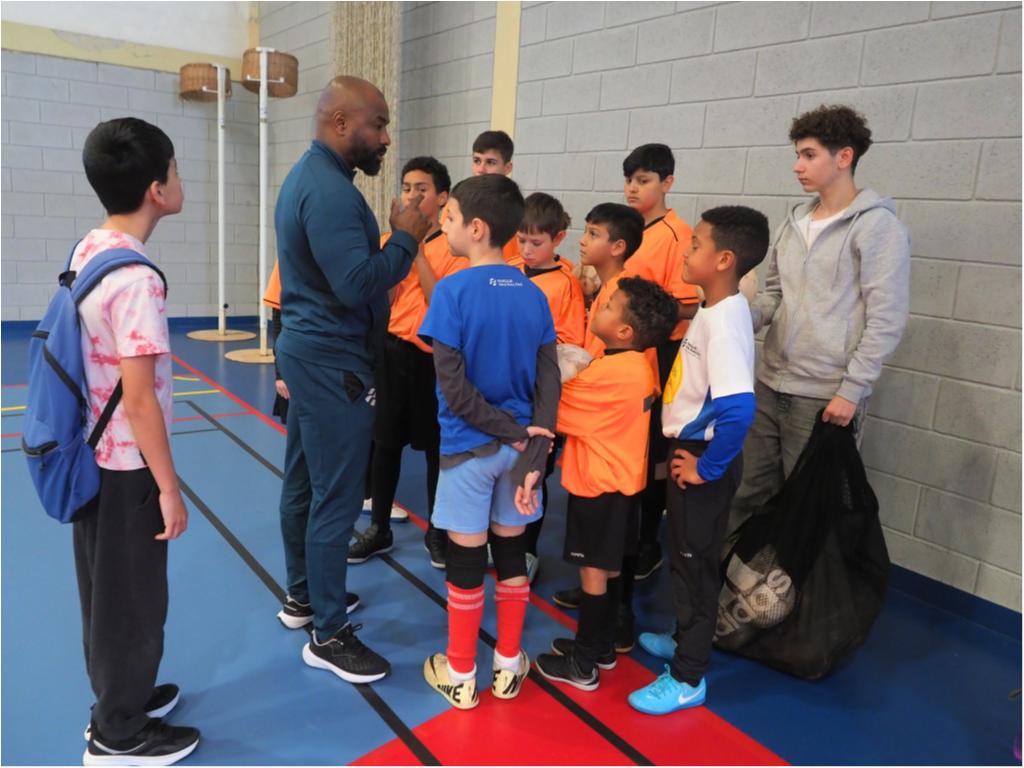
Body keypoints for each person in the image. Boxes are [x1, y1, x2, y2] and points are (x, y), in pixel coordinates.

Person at [274, 76, 433, 684]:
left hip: (314, 354)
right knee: (337, 496)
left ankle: (305, 597)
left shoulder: (316, 179)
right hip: (332, 362)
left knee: (304, 481)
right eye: (379, 124)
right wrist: (406, 236)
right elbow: (359, 283)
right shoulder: (330, 193)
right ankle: (329, 634)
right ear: (341, 123)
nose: (386, 138)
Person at [73, 117, 200, 764]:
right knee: (135, 601)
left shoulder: (91, 248)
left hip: (92, 455)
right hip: (127, 465)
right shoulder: (138, 280)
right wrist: (169, 488)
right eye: (175, 168)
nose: (180, 179)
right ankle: (117, 732)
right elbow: (140, 396)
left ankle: (124, 695)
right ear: (156, 189)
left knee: (108, 592)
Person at [730, 105, 911, 536]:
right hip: (771, 384)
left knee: (811, 510)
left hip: (825, 396)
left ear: (844, 157)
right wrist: (739, 317)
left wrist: (851, 390)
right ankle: (736, 577)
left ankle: (799, 584)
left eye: (809, 155)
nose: (798, 166)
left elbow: (886, 319)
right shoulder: (794, 222)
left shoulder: (877, 227)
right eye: (798, 154)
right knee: (748, 494)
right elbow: (775, 294)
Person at [418, 174, 560, 710]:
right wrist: (533, 446)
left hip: (468, 450)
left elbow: (454, 393)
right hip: (520, 456)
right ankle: (507, 665)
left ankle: (460, 673)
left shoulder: (451, 291)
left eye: (450, 218)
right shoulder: (535, 294)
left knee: (466, 558)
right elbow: (550, 383)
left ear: (476, 228)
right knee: (512, 551)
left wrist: (513, 432)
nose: (444, 225)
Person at [629, 206, 768, 715]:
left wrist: (705, 468)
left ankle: (689, 677)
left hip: (704, 457)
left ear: (724, 259)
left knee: (694, 567)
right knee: (687, 555)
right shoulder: (712, 309)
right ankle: (684, 637)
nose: (686, 251)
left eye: (696, 245)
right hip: (691, 451)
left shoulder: (725, 322)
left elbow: (738, 409)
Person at [535, 277, 678, 691]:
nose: (600, 304)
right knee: (610, 568)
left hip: (599, 486)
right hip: (621, 485)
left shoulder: (612, 374)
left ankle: (583, 664)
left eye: (610, 304)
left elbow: (555, 408)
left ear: (625, 331)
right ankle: (600, 646)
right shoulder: (636, 366)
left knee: (593, 573)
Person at [348, 156, 464, 568]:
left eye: (422, 189)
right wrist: (398, 247)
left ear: (442, 197)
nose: (412, 195)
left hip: (433, 360)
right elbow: (379, 295)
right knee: (384, 444)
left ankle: (437, 530)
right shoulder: (389, 240)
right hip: (391, 352)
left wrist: (414, 250)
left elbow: (440, 303)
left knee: (436, 449)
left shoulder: (454, 247)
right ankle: (379, 527)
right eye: (407, 187)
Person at [620, 143, 701, 586]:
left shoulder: (676, 234)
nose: (633, 188)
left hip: (659, 359)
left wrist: (642, 315)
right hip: (623, 358)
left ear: (667, 182)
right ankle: (621, 541)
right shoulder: (627, 229)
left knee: (652, 455)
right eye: (629, 180)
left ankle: (647, 542)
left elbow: (687, 306)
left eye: (644, 180)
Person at [517, 192, 586, 582]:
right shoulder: (509, 270)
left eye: (536, 242)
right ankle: (504, 541)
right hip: (506, 395)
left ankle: (527, 550)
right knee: (506, 470)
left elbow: (571, 348)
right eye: (521, 240)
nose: (527, 250)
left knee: (534, 472)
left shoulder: (565, 285)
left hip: (540, 397)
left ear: (557, 238)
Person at [469, 129, 523, 267]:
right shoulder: (457, 204)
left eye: (490, 162)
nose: (481, 169)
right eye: (477, 161)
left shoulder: (518, 211)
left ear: (507, 168)